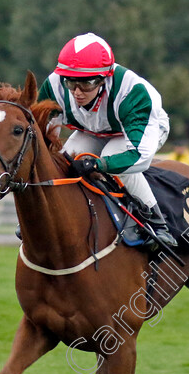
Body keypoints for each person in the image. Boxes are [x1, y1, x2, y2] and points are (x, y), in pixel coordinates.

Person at [38, 32, 177, 247]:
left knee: (112, 159)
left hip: (140, 133)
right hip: (93, 129)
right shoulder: (54, 85)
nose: (77, 92)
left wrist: (99, 164)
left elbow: (138, 156)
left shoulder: (133, 93)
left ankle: (157, 222)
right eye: (71, 82)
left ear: (105, 77)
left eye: (86, 84)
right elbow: (44, 131)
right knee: (65, 160)